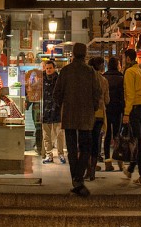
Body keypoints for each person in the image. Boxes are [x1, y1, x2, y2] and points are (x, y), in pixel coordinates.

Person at [53, 42, 100, 197]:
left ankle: (76, 179)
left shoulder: (65, 71)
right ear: (85, 54)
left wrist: (62, 106)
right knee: (86, 147)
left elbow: (57, 93)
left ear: (73, 54)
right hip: (86, 115)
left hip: (69, 114)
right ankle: (78, 178)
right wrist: (92, 107)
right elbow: (96, 93)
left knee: (72, 149)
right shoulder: (90, 72)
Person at [122, 48, 141, 186]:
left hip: (134, 110)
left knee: (137, 143)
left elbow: (130, 95)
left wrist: (126, 113)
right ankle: (131, 168)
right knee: (136, 141)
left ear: (128, 59)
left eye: (124, 58)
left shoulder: (130, 72)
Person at [87, 57, 109, 180]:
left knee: (85, 142)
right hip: (99, 114)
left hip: (86, 114)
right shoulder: (104, 80)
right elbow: (107, 100)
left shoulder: (85, 79)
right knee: (96, 142)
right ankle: (93, 172)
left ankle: (87, 168)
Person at [41, 59, 66, 164]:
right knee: (46, 135)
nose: (48, 70)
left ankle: (61, 154)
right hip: (45, 110)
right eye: (47, 68)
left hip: (57, 110)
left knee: (60, 133)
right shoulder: (41, 79)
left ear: (54, 68)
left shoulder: (60, 79)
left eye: (50, 68)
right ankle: (49, 154)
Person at [103, 56, 124, 171]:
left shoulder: (104, 77)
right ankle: (120, 160)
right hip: (118, 110)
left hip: (106, 109)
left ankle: (107, 161)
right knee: (117, 135)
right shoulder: (122, 78)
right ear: (117, 65)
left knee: (107, 135)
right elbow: (123, 96)